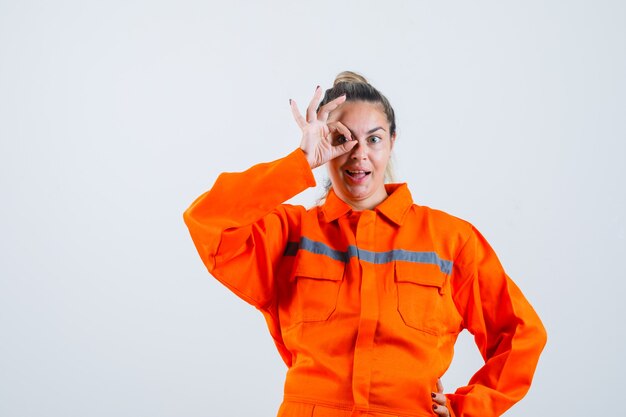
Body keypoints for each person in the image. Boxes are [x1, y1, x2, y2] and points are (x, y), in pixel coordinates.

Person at [183, 71, 547, 417]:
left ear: (392, 142)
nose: (359, 154)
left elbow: (520, 333)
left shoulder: (450, 241)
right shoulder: (291, 234)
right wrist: (300, 163)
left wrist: (470, 408)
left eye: (373, 138)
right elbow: (208, 220)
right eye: (342, 139)